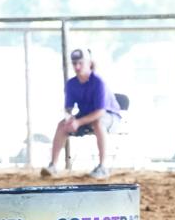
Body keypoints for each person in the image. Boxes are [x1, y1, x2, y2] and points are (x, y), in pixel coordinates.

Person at [41, 48, 122, 179]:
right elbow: (68, 108)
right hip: (86, 117)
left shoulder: (98, 82)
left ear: (89, 63)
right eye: (74, 63)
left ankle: (102, 167)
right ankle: (53, 166)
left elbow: (100, 111)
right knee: (62, 125)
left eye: (80, 63)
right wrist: (69, 119)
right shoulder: (71, 84)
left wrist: (78, 122)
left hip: (110, 117)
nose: (77, 67)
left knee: (98, 123)